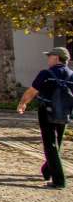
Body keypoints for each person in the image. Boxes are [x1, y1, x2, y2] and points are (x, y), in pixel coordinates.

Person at [16, 47, 73, 189]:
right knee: (57, 142)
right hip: (65, 112)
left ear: (56, 58)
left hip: (46, 111)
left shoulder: (46, 73)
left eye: (50, 56)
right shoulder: (72, 75)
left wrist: (23, 103)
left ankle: (59, 180)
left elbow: (32, 91)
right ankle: (48, 170)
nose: (48, 58)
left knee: (50, 144)